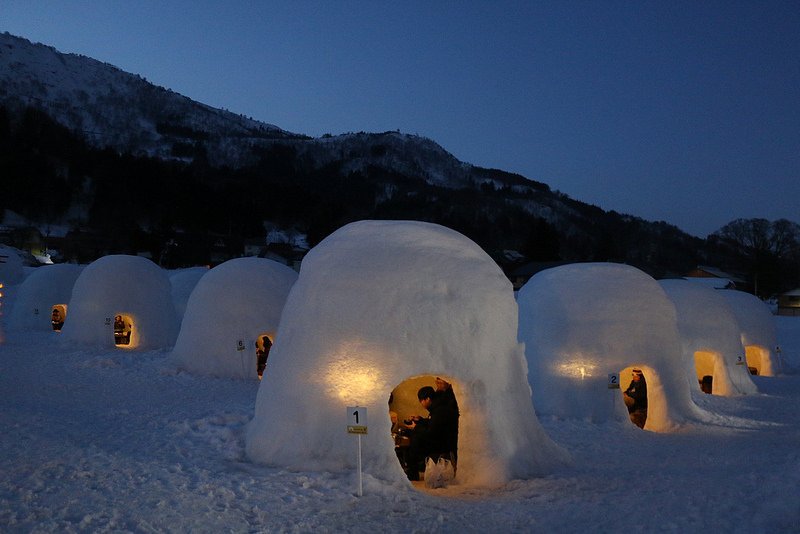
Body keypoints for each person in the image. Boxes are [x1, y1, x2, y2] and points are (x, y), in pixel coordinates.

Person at [404, 383, 460, 481]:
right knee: (414, 434)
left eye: (421, 400)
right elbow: (432, 423)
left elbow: (431, 432)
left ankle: (413, 472)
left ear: (428, 399)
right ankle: (412, 470)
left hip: (442, 444)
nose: (421, 403)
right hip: (439, 439)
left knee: (415, 438)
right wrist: (420, 420)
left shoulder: (439, 410)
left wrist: (416, 427)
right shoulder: (437, 407)